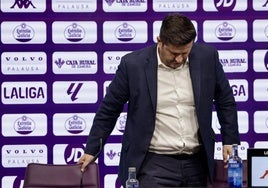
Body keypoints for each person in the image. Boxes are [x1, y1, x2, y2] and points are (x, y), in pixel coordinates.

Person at [78, 13, 240, 187]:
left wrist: (230, 140)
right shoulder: (133, 65)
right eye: (174, 53)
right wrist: (92, 149)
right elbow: (109, 109)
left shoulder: (208, 57)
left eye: (185, 53)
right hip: (153, 164)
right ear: (159, 41)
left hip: (197, 163)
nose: (179, 59)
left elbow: (225, 101)